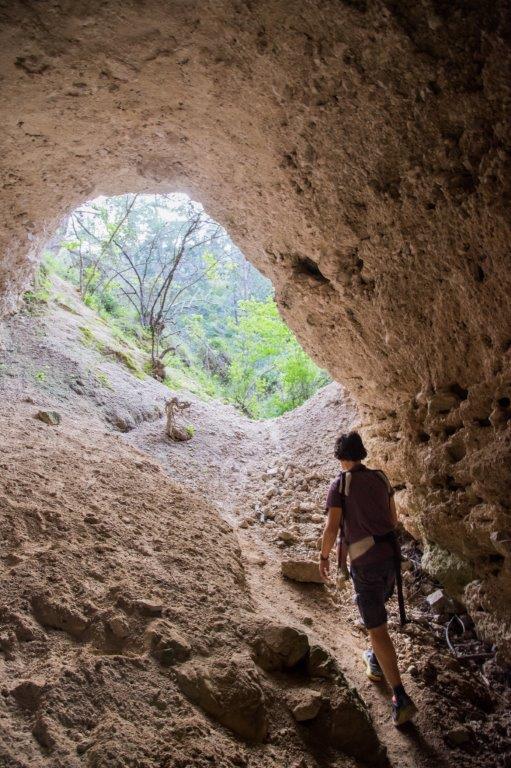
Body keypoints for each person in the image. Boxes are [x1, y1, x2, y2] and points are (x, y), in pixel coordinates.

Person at [319, 430, 417, 726]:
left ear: (341, 458)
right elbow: (394, 519)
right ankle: (376, 662)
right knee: (378, 616)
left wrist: (324, 557)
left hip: (366, 565)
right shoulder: (381, 478)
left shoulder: (340, 484)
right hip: (391, 559)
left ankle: (400, 697)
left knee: (376, 627)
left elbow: (332, 528)